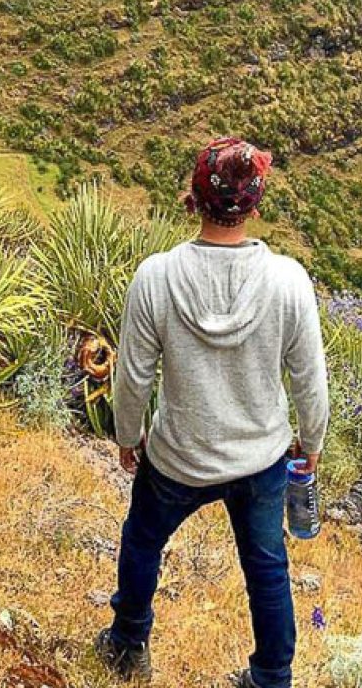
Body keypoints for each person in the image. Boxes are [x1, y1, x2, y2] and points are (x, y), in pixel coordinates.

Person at [95, 137, 329, 687]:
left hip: (179, 454)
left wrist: (128, 436)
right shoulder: (287, 280)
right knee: (267, 568)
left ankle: (129, 644)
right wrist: (311, 443)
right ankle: (271, 676)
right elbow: (308, 377)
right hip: (261, 457)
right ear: (254, 202)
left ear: (195, 199)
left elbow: (134, 375)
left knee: (143, 541)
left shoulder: (156, 277)